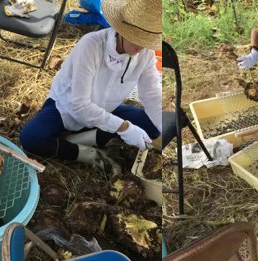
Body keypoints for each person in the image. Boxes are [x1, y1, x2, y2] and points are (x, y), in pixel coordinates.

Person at [19, 0, 162, 174]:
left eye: (146, 40)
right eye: (136, 38)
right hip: (66, 110)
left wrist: (162, 131)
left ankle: (83, 138)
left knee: (154, 124)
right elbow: (80, 104)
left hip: (106, 110)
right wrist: (124, 128)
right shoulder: (91, 45)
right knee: (31, 138)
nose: (141, 46)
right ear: (122, 30)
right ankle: (88, 153)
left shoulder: (145, 53)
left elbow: (152, 96)